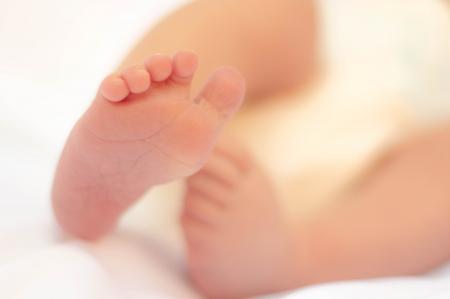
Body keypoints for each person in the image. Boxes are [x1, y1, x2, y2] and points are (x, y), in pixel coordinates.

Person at [52, 1, 450, 298]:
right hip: (289, 70)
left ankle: (292, 258)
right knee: (269, 9)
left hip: (350, 187)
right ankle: (144, 115)